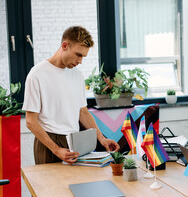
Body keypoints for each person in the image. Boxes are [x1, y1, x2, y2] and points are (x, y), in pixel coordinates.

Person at [23, 26, 120, 165]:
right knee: (50, 187)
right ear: (64, 45)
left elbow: (83, 112)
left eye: (83, 57)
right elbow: (30, 121)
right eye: (78, 55)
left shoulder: (77, 75)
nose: (80, 61)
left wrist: (102, 138)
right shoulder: (37, 74)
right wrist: (56, 150)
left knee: (74, 186)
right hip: (48, 143)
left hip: (74, 141)